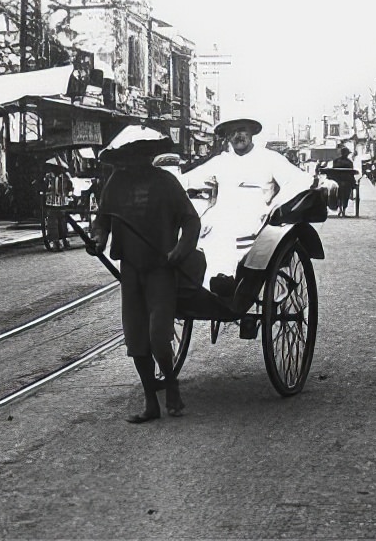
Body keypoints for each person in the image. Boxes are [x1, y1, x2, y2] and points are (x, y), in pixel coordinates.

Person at [89, 126, 201, 424]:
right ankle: (151, 401)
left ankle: (171, 383)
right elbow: (103, 222)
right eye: (130, 155)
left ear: (149, 156)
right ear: (123, 157)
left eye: (141, 154)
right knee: (136, 339)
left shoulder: (166, 183)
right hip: (131, 270)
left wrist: (180, 250)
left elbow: (192, 222)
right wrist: (98, 239)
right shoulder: (115, 184)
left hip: (162, 270)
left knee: (158, 338)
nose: (135, 161)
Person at [182, 116, 314, 294]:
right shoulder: (221, 161)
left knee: (228, 237)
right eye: (232, 132)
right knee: (201, 236)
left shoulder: (269, 158)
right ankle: (210, 286)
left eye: (242, 130)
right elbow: (188, 180)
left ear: (251, 132)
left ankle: (226, 282)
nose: (238, 135)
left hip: (256, 218)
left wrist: (274, 206)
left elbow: (299, 180)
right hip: (222, 216)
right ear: (227, 137)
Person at [330, 144, 356, 217]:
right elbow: (351, 174)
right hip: (345, 181)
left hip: (338, 181)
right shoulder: (349, 162)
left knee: (339, 195)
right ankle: (343, 209)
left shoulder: (336, 161)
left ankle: (341, 209)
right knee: (345, 196)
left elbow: (333, 172)